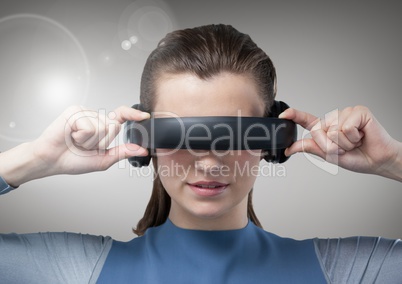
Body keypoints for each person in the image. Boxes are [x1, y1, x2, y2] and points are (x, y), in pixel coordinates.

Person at [0, 24, 401, 283]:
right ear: (144, 139)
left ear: (274, 139)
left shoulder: (343, 273)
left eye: (235, 134)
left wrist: (391, 160)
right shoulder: (77, 272)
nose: (210, 161)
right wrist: (36, 158)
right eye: (180, 133)